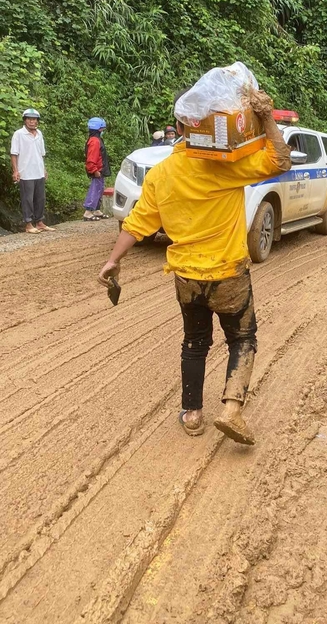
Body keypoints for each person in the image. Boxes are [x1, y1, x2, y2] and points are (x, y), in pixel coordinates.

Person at [97, 89, 291, 445]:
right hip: (228, 274)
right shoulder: (226, 165)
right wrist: (265, 117)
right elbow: (279, 160)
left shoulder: (161, 174)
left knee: (194, 343)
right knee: (242, 338)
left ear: (178, 128)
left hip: (186, 277)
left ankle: (193, 414)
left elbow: (137, 225)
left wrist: (113, 261)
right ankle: (231, 410)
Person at [10, 108, 55, 234]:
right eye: (29, 119)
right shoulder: (19, 134)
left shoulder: (39, 134)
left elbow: (41, 154)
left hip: (38, 171)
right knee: (27, 199)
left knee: (40, 198)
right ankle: (28, 224)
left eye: (34, 119)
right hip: (26, 172)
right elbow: (14, 153)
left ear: (37, 121)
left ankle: (39, 222)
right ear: (25, 121)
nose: (32, 122)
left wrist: (44, 169)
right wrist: (15, 171)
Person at [83, 117, 111, 221]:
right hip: (97, 170)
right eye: (102, 129)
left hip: (100, 169)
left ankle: (96, 210)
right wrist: (94, 170)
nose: (103, 131)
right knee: (95, 189)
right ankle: (88, 211)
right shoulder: (95, 141)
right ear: (98, 129)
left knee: (100, 188)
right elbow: (91, 158)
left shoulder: (96, 139)